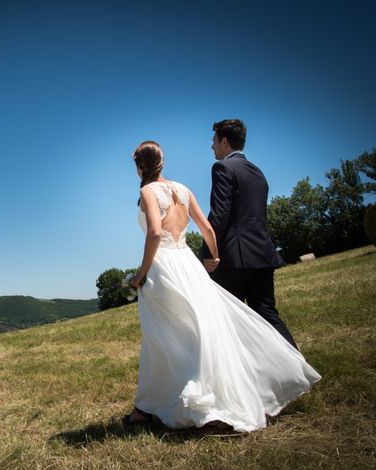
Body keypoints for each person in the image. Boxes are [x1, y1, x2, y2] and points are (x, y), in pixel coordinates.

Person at [124, 140, 320, 432]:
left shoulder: (147, 191)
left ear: (140, 167)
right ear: (161, 163)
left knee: (162, 337)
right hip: (189, 263)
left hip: (165, 267)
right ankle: (160, 400)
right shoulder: (183, 190)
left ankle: (159, 404)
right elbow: (207, 228)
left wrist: (140, 275)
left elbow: (154, 233)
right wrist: (213, 257)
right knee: (199, 329)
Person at [201, 119, 297, 348]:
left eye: (213, 141)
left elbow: (219, 216)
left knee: (227, 320)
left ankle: (241, 378)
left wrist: (208, 253)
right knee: (267, 315)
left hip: (235, 259)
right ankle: (298, 370)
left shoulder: (222, 168)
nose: (211, 146)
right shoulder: (258, 172)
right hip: (262, 254)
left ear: (224, 141)